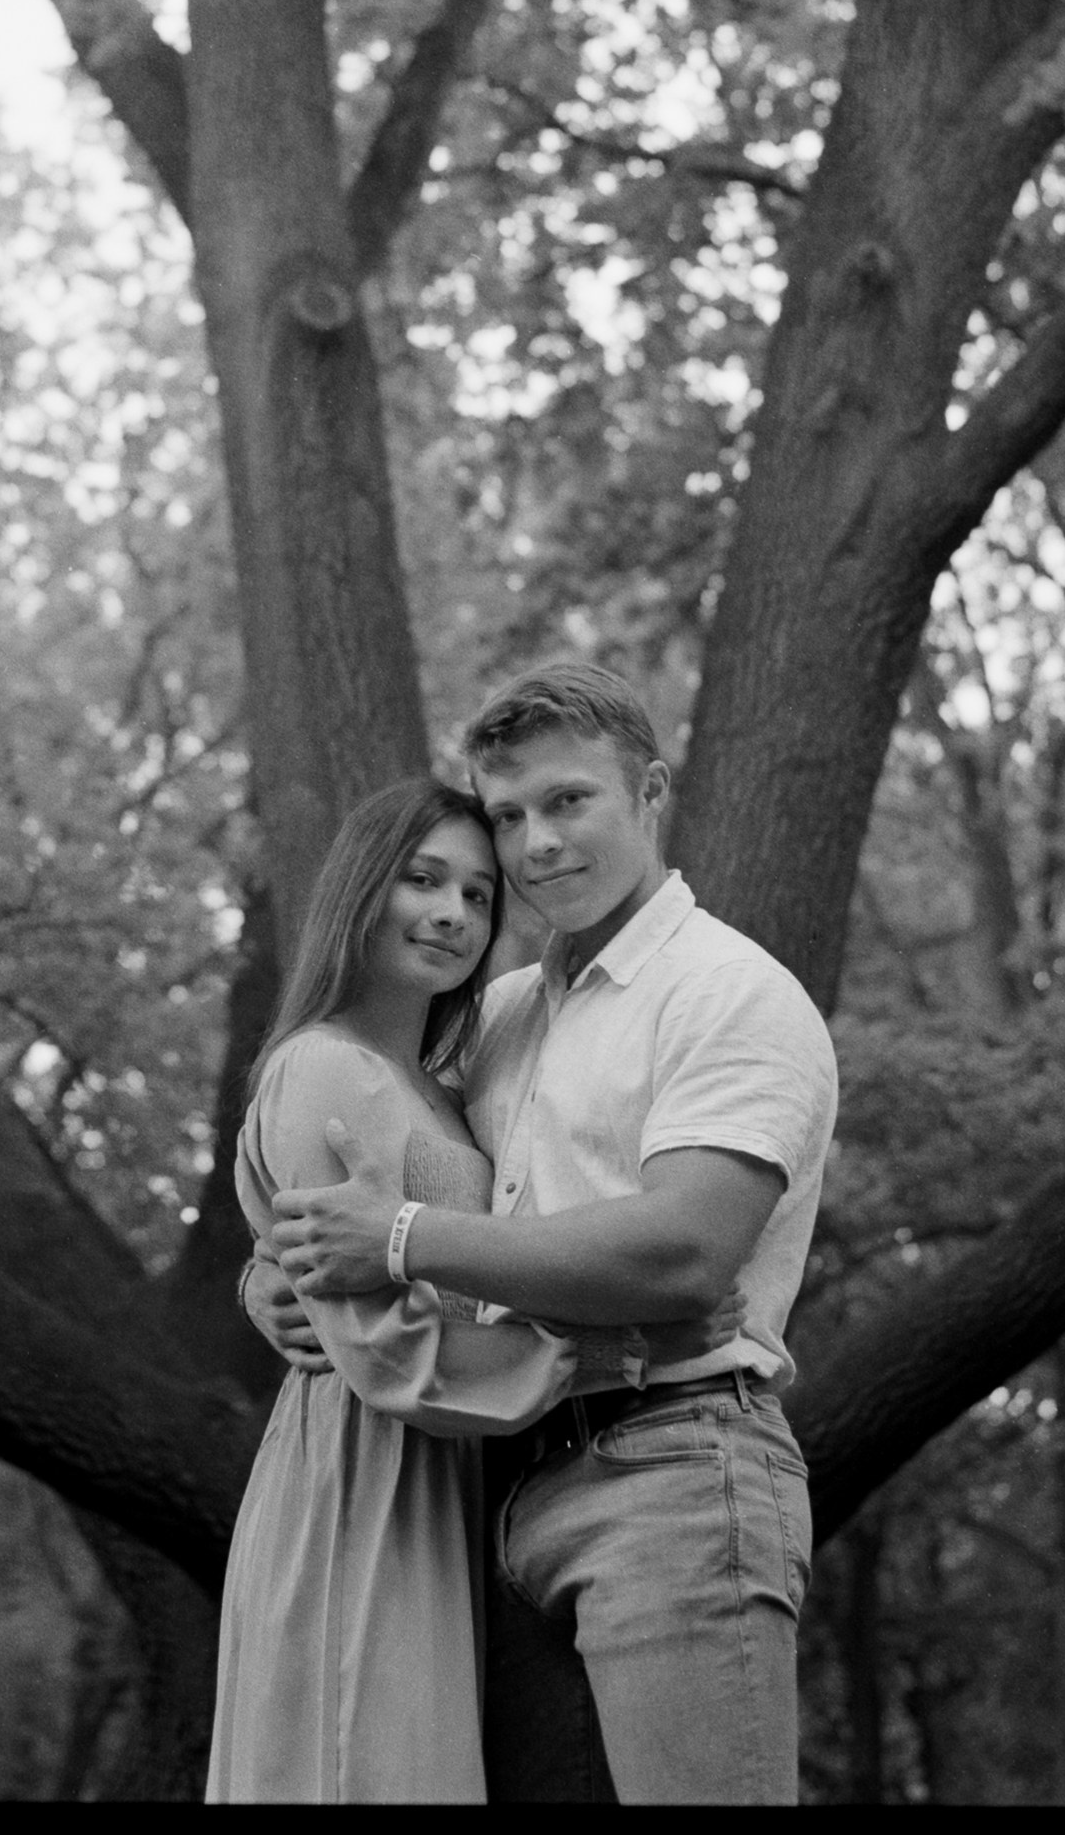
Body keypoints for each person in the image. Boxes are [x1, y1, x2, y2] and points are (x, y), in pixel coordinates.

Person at [255, 662, 841, 1805]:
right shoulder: (501, 1012)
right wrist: (276, 1279)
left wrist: (401, 1238)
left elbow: (683, 1252)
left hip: (673, 1471)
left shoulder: (729, 992)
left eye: (569, 800)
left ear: (650, 791)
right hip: (489, 1488)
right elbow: (357, 1171)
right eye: (510, 814)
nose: (536, 843)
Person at [205, 772, 735, 1804]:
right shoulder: (322, 1068)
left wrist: (265, 1272)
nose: (451, 912)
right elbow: (387, 1349)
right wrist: (614, 1348)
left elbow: (344, 1252)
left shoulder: (445, 1084)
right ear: (361, 889)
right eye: (422, 880)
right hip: (364, 1473)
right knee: (360, 1764)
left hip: (459, 1473)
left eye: (478, 894)